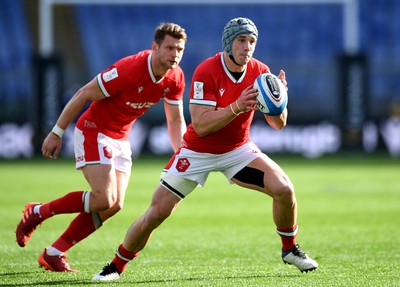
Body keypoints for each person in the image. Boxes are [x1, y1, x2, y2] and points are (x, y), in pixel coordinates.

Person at [93, 17, 318, 281]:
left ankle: (290, 250)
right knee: (157, 212)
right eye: (241, 40)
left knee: (284, 189)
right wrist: (237, 106)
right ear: (228, 42)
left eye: (252, 41)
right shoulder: (207, 71)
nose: (247, 47)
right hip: (197, 151)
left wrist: (280, 101)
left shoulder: (260, 71)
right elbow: (200, 125)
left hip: (237, 150)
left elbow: (278, 125)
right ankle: (116, 266)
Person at [15, 22, 188, 272]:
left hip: (121, 137)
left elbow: (175, 120)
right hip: (94, 130)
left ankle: (54, 252)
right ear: (155, 47)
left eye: (180, 49)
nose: (175, 54)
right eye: (170, 48)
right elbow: (83, 94)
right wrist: (57, 131)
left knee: (114, 205)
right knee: (102, 198)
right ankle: (39, 212)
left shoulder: (176, 77)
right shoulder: (129, 69)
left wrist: (182, 154)